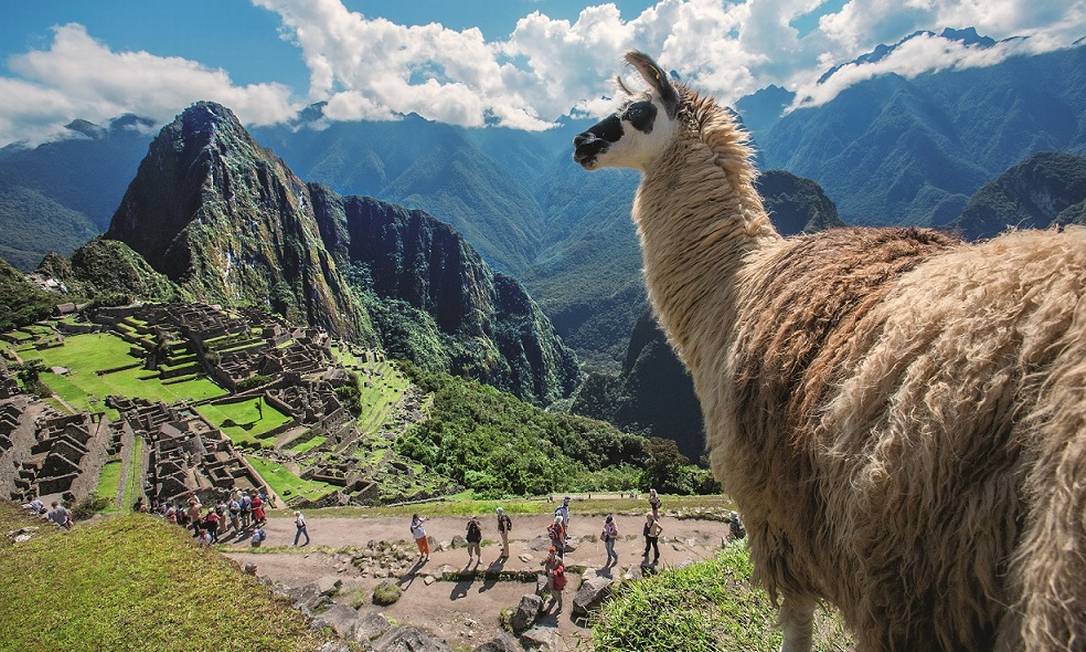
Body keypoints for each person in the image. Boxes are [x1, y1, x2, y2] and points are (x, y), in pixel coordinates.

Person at [542, 546, 566, 614]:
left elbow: (563, 567)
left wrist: (556, 571)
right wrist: (544, 561)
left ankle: (560, 606)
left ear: (555, 553)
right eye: (550, 552)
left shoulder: (558, 560)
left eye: (553, 552)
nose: (551, 554)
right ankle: (553, 599)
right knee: (551, 589)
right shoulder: (547, 559)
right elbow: (542, 563)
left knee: (558, 592)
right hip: (550, 578)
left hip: (557, 579)